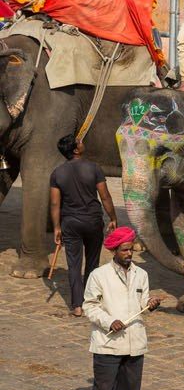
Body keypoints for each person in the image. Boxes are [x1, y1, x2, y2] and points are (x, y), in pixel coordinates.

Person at [81, 227, 161, 390]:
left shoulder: (141, 274)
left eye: (131, 249)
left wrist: (151, 303)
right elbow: (89, 305)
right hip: (108, 343)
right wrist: (109, 322)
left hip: (135, 342)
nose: (129, 254)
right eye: (125, 250)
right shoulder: (99, 275)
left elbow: (142, 303)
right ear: (114, 250)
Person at [50, 134, 118, 317]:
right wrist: (113, 217)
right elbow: (105, 197)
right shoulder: (94, 168)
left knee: (73, 264)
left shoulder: (57, 173)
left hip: (70, 222)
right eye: (79, 142)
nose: (82, 142)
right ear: (75, 150)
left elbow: (55, 204)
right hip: (93, 221)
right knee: (92, 262)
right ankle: (90, 300)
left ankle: (77, 305)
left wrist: (56, 227)